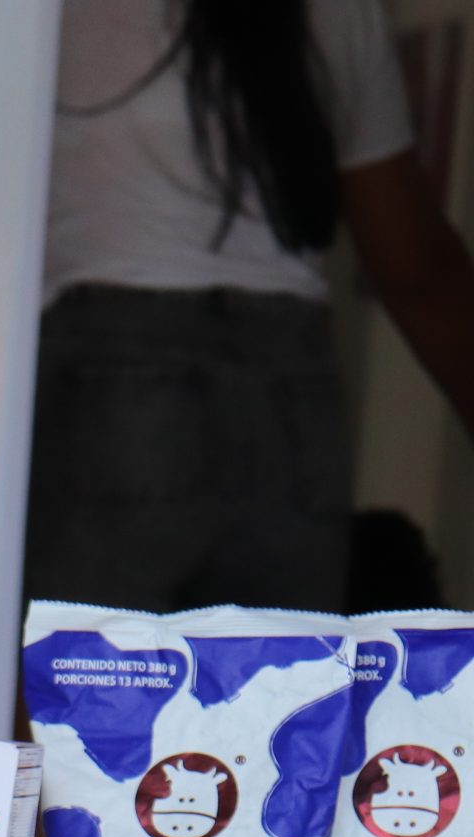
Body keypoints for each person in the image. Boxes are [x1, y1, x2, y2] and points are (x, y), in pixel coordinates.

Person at [26, 0, 474, 615]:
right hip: (294, 395)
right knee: (270, 677)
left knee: (77, 675)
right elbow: (415, 267)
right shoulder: (336, 10)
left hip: (110, 382)